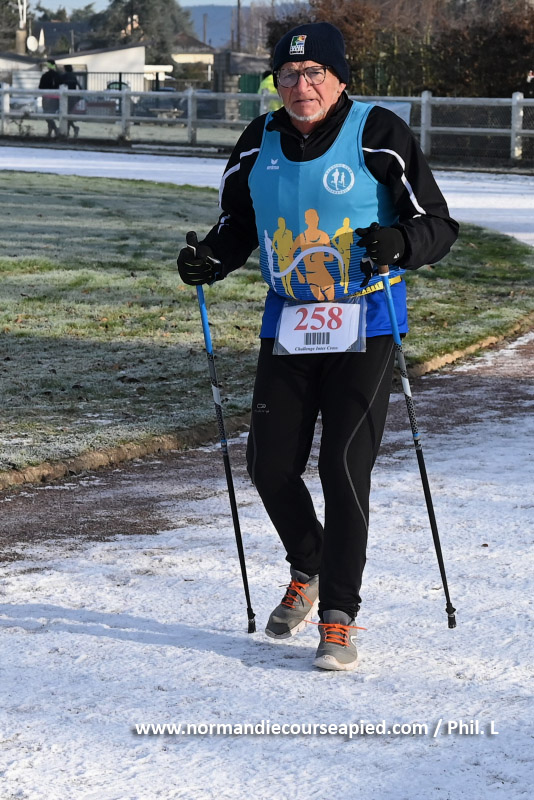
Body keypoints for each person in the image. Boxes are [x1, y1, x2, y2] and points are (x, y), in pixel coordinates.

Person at [177, 22, 459, 671]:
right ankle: (309, 564)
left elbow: (438, 224)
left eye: (314, 73)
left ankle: (338, 616)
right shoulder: (258, 142)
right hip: (291, 322)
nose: (301, 85)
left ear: (338, 78)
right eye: (288, 74)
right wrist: (209, 258)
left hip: (367, 321)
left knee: (342, 465)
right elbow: (238, 223)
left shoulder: (378, 132)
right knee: (269, 465)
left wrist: (400, 244)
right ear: (275, 82)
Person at [39, 59, 61, 138]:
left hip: (47, 98)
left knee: (46, 115)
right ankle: (51, 131)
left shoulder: (45, 76)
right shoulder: (58, 75)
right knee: (50, 115)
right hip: (56, 98)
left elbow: (40, 87)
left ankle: (54, 129)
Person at [60, 65, 81, 138]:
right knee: (68, 113)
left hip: (67, 98)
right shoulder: (73, 76)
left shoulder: (64, 76)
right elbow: (79, 86)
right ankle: (69, 130)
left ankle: (73, 129)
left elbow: (59, 84)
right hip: (74, 97)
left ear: (65, 69)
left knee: (66, 114)